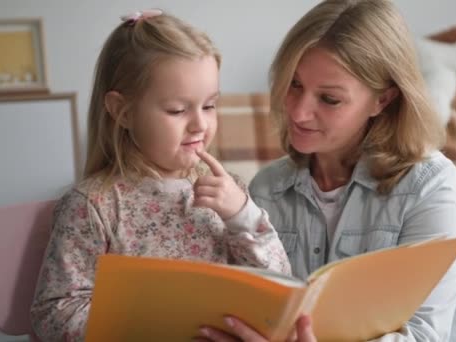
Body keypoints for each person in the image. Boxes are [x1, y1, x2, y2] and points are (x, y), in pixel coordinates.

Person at [198, 0, 456, 341]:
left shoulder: (432, 187)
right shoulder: (268, 188)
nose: (299, 113)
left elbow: (422, 336)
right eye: (294, 84)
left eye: (329, 99)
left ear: (383, 100)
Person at [30, 9, 291, 341]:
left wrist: (243, 216)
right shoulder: (94, 205)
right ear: (122, 111)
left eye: (209, 106)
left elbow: (279, 288)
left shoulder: (228, 193)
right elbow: (56, 314)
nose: (200, 124)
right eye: (178, 110)